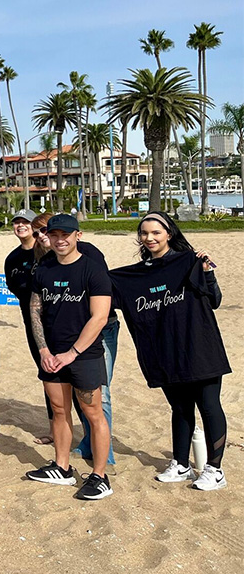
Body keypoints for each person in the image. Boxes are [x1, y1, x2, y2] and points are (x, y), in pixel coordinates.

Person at [110, 211, 230, 491]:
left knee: (209, 406)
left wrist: (208, 273)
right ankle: (181, 464)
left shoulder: (189, 262)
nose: (149, 238)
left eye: (155, 232)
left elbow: (215, 301)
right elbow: (101, 289)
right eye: (144, 233)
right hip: (165, 351)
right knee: (180, 407)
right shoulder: (134, 275)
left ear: (169, 234)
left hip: (200, 346)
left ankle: (215, 469)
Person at [26, 214, 113, 500]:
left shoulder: (93, 269)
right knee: (59, 410)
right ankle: (62, 467)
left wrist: (71, 353)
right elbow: (35, 311)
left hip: (84, 355)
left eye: (66, 234)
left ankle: (99, 476)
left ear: (79, 235)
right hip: (52, 354)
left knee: (93, 413)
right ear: (48, 237)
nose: (60, 240)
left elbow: (99, 317)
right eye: (55, 235)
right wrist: (43, 350)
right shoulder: (43, 269)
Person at [4, 209, 53, 444]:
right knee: (48, 376)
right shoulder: (12, 259)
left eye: (26, 222)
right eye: (17, 222)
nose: (21, 226)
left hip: (59, 322)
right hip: (32, 322)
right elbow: (15, 288)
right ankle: (55, 429)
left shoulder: (48, 250)